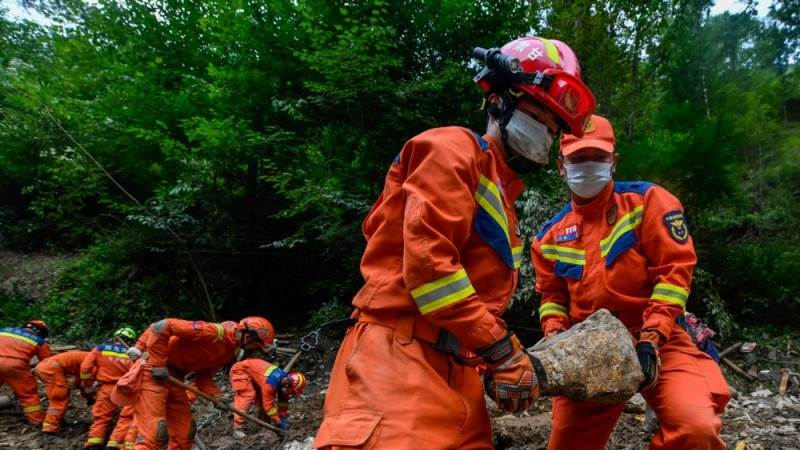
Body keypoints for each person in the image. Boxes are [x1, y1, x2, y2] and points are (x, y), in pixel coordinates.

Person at [314, 36, 595, 449]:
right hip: (396, 359)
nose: (547, 134)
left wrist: (489, 362)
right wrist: (502, 351)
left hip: (458, 368)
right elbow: (431, 269)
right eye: (540, 117)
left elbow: (474, 299)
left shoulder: (503, 197)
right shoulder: (451, 149)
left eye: (555, 128)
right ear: (500, 100)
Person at [531, 114, 730, 449]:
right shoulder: (548, 237)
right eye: (579, 158)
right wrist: (556, 341)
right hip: (589, 349)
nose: (588, 165)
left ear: (614, 161)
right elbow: (551, 298)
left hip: (660, 338)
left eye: (598, 157)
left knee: (696, 429)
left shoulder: (648, 202)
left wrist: (652, 337)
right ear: (562, 166)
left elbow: (674, 272)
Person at [132, 316, 275, 449]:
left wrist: (219, 398)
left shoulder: (228, 352)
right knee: (154, 432)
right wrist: (157, 363)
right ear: (249, 337)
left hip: (175, 378)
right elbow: (163, 326)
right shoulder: (214, 332)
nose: (254, 350)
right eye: (256, 346)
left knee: (184, 434)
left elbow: (203, 379)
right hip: (151, 372)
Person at [81, 326, 137, 449]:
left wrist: (87, 383)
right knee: (126, 417)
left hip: (106, 389)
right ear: (131, 340)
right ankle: (115, 444)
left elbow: (85, 367)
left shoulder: (100, 349)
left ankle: (94, 443)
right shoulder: (133, 354)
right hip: (126, 389)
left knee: (101, 416)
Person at [228, 357, 306, 438]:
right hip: (240, 371)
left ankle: (264, 424)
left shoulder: (283, 380)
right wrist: (278, 421)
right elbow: (268, 407)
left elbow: (283, 401)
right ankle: (237, 428)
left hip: (253, 374)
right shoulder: (270, 384)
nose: (290, 393)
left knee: (261, 400)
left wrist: (282, 416)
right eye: (291, 391)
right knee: (247, 395)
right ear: (287, 383)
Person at [0, 320, 51, 425]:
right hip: (14, 366)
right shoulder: (39, 341)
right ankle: (36, 420)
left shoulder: (3, 330)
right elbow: (48, 362)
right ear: (41, 332)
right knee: (28, 394)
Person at [36, 349, 91, 433]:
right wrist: (89, 396)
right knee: (59, 397)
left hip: (45, 367)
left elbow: (79, 381)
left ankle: (56, 420)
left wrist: (87, 395)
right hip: (51, 369)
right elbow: (86, 383)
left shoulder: (89, 357)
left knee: (57, 396)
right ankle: (50, 426)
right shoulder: (94, 362)